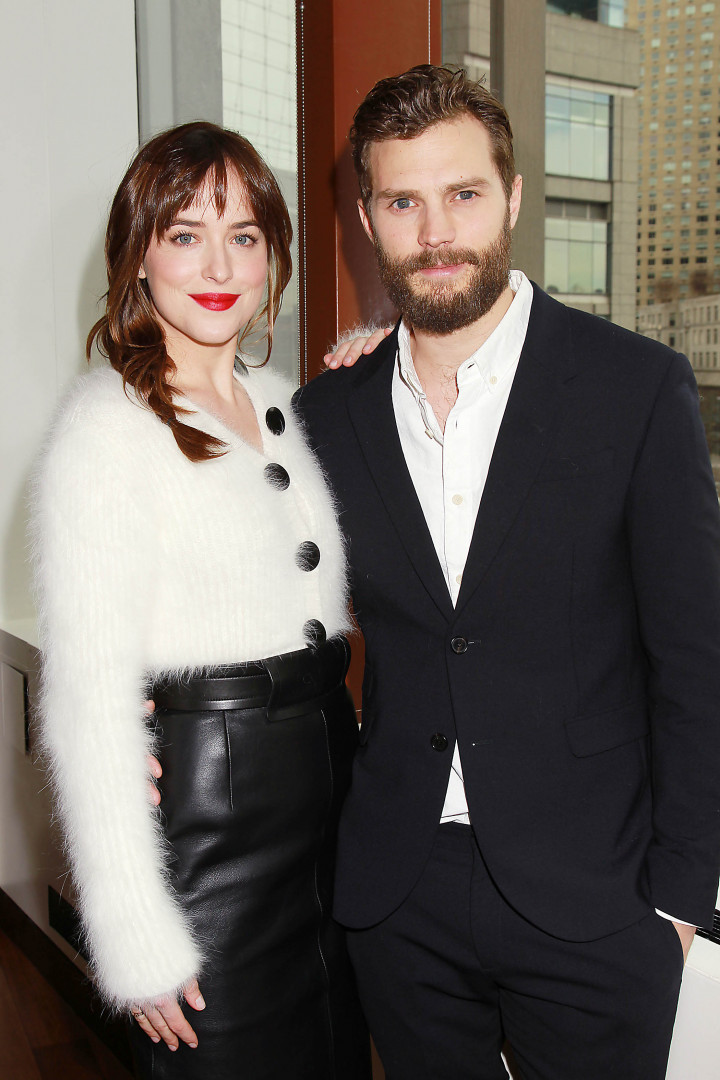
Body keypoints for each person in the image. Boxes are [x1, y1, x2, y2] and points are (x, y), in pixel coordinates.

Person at [294, 66, 720, 1080]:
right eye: (404, 202)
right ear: (368, 218)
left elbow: (697, 660)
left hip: (598, 900)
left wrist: (678, 901)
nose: (437, 231)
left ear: (514, 196)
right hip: (400, 898)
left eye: (464, 193)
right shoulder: (326, 418)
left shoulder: (635, 388)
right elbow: (262, 610)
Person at [32, 121, 373, 1080]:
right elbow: (86, 701)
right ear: (138, 256)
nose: (219, 265)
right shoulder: (105, 429)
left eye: (244, 235)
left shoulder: (284, 402)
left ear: (274, 256)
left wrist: (375, 361)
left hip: (332, 808)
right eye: (185, 234)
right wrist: (132, 928)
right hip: (216, 825)